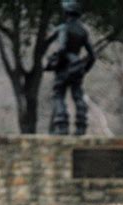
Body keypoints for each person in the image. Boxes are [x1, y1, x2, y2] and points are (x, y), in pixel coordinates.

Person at [45, 0, 96, 135]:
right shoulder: (83, 32)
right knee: (77, 95)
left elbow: (62, 47)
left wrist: (54, 60)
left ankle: (62, 126)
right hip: (77, 67)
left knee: (58, 94)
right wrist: (85, 69)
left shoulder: (63, 28)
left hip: (64, 66)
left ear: (66, 13)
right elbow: (92, 56)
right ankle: (81, 125)